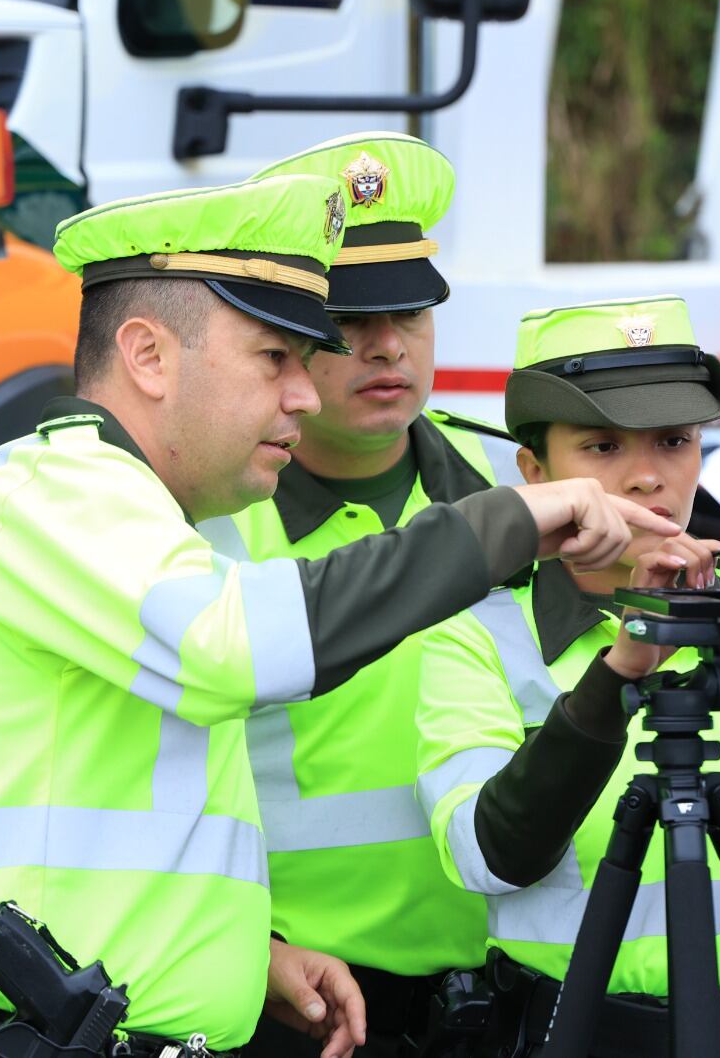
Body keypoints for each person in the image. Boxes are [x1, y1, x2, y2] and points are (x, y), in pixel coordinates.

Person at [0, 178, 683, 1058]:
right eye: (276, 358)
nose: (305, 396)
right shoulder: (52, 492)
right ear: (149, 357)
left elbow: (133, 828)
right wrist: (511, 520)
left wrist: (245, 956)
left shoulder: (139, 519)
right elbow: (240, 647)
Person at [414, 296, 720, 1058]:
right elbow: (490, 858)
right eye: (604, 447)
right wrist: (618, 673)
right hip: (565, 1035)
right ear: (535, 470)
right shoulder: (479, 632)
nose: (648, 477)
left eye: (674, 441)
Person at [194, 132, 515, 1058]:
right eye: (351, 321)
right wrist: (243, 948)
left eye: (411, 312)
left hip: (521, 982)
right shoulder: (206, 522)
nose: (387, 346)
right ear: (285, 340)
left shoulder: (519, 485)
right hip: (302, 1005)